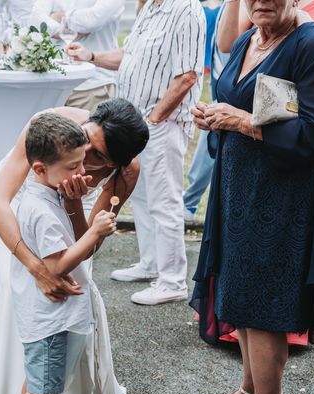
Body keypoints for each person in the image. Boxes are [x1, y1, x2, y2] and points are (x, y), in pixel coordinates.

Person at [191, 0, 314, 394]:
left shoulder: (311, 45)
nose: (261, 1)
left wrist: (243, 123)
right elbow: (234, 96)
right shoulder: (253, 35)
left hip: (280, 196)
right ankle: (251, 391)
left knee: (263, 297)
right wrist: (215, 117)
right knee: (239, 287)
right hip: (237, 188)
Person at [0, 99, 148, 394]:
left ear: (117, 162)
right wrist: (35, 267)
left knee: (70, 290)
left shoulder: (126, 172)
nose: (85, 160)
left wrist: (72, 203)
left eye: (97, 157)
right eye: (87, 141)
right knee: (24, 295)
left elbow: (88, 247)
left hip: (72, 228)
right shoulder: (51, 128)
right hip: (18, 210)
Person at [0, 113, 118, 394]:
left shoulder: (48, 195)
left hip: (47, 317)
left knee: (36, 385)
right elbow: (58, 265)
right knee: (38, 393)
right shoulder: (40, 211)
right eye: (73, 166)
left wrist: (76, 208)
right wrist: (94, 233)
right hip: (51, 319)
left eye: (84, 162)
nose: (83, 173)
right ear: (38, 168)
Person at [68, 0, 206, 306]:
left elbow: (188, 75)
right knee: (140, 195)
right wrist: (91, 56)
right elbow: (128, 56)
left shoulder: (186, 9)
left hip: (162, 123)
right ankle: (151, 263)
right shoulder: (150, 7)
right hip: (134, 126)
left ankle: (172, 280)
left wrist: (154, 119)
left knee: (164, 200)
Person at [183, 0, 230, 223]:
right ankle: (189, 203)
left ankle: (189, 203)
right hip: (219, 83)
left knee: (209, 145)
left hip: (231, 89)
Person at [30, 0, 124, 112]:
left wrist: (59, 17)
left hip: (92, 86)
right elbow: (35, 19)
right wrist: (66, 32)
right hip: (55, 85)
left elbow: (92, 20)